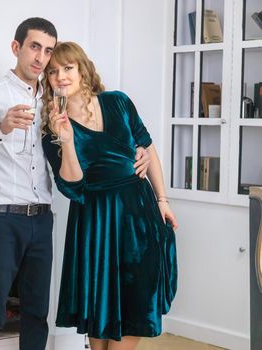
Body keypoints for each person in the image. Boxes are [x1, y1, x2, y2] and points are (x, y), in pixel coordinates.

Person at [0, 18, 150, 349]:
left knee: (36, 315)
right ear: (16, 47)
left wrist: (138, 148)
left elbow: (100, 124)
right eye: (35, 47)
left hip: (41, 220)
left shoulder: (54, 96)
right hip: (2, 219)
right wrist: (1, 128)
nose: (42, 58)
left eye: (48, 50)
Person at [41, 41, 178, 350]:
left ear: (82, 69)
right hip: (95, 222)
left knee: (138, 299)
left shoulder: (118, 102)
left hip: (138, 214)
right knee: (100, 306)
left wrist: (162, 200)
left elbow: (148, 148)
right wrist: (65, 140)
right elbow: (73, 187)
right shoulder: (51, 130)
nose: (60, 76)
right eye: (52, 72)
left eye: (67, 68)